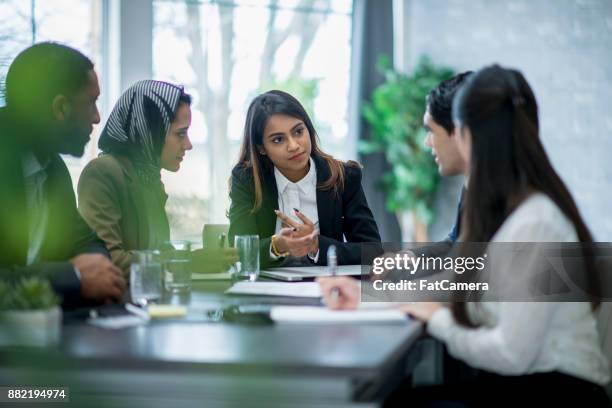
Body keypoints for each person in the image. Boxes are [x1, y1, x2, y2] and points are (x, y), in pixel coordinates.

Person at [322, 65, 611, 406]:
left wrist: (437, 318)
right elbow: (465, 283)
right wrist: (368, 295)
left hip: (556, 392)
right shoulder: (509, 209)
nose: (434, 141)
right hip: (533, 382)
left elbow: (511, 354)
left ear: (469, 135)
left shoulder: (534, 221)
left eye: (452, 130)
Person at [0, 42, 125, 308]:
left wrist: (93, 268)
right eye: (91, 103)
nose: (97, 117)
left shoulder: (52, 168)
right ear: (60, 108)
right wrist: (74, 276)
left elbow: (89, 242)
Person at [78, 80, 236, 275]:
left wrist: (197, 259)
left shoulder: (149, 178)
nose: (188, 145)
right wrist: (188, 262)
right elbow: (108, 260)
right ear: (149, 131)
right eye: (180, 134)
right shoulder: (102, 172)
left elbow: (157, 252)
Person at [228, 90, 381, 268]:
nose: (293, 146)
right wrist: (276, 245)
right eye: (278, 139)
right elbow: (238, 252)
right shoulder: (247, 180)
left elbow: (373, 251)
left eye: (298, 132)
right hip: (267, 291)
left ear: (308, 129)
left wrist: (316, 245)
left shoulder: (344, 177)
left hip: (329, 289)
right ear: (261, 147)